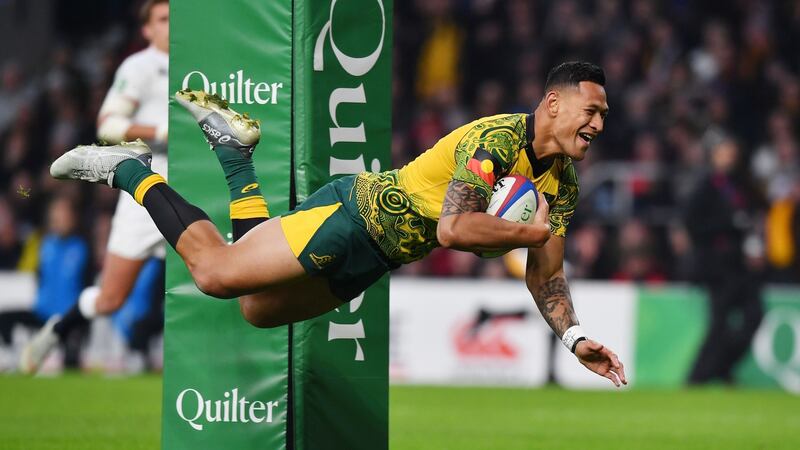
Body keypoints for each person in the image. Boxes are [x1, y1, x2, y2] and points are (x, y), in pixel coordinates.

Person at [48, 61, 627, 387]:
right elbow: (455, 229)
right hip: (353, 215)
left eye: (604, 114)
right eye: (592, 110)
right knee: (216, 273)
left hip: (377, 257)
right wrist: (531, 233)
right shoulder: (498, 138)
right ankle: (130, 170)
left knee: (256, 308)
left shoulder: (563, 184)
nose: (599, 123)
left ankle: (235, 155)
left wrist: (574, 337)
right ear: (553, 102)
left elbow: (545, 275)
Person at [20, 0, 169, 373]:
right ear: (147, 29)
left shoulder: (201, 66)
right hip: (146, 193)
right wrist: (162, 132)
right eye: (163, 19)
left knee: (220, 278)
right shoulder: (139, 66)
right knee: (110, 298)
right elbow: (108, 127)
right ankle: (59, 328)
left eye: (175, 20)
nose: (171, 27)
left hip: (196, 191)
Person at [685, 138, 766, 384]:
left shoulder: (741, 183)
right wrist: (728, 225)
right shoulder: (705, 187)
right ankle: (697, 377)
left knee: (754, 316)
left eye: (732, 151)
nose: (730, 156)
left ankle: (721, 367)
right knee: (719, 325)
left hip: (740, 266)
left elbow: (758, 210)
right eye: (725, 151)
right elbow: (693, 224)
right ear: (714, 154)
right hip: (716, 268)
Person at [0, 196, 89, 370]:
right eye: (55, 214)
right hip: (42, 314)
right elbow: (32, 273)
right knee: (4, 319)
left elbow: (87, 283)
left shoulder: (82, 247)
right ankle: (11, 357)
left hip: (69, 318)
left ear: (72, 217)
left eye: (62, 214)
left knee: (71, 362)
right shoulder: (44, 244)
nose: (57, 219)